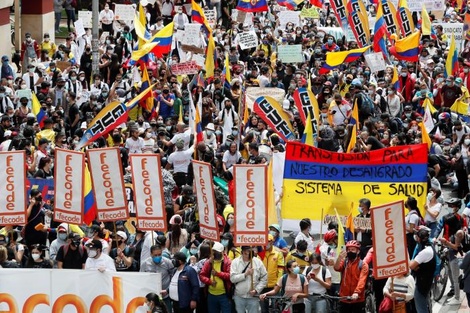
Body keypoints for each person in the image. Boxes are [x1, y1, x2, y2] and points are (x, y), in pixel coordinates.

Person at [334, 240, 369, 313]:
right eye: (348, 250)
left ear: (358, 251)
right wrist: (339, 258)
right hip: (344, 298)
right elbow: (336, 268)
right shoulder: (345, 262)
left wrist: (356, 292)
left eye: (353, 250)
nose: (350, 251)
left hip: (357, 299)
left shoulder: (363, 265)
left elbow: (362, 280)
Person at [230, 246, 268, 313]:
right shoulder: (235, 262)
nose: (247, 255)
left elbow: (264, 277)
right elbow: (232, 279)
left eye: (249, 253)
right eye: (245, 253)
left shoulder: (258, 262)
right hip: (239, 296)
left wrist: (257, 290)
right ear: (242, 252)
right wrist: (245, 274)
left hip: (253, 297)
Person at [199, 242, 232, 313]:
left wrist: (218, 274)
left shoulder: (227, 262)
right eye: (214, 251)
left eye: (217, 252)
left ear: (222, 252)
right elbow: (202, 275)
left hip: (224, 295)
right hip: (211, 295)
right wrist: (210, 281)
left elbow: (230, 276)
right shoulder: (209, 262)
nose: (215, 253)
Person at [140, 245, 175, 311]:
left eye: (159, 254)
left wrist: (168, 290)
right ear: (151, 254)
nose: (157, 257)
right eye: (155, 255)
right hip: (151, 298)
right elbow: (141, 278)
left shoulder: (167, 262)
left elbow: (173, 276)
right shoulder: (145, 264)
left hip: (165, 296)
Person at [409, 228, 436, 313]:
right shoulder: (430, 247)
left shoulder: (425, 252)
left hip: (422, 283)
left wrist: (415, 265)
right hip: (427, 280)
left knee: (421, 306)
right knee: (425, 303)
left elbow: (411, 266)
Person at [260, 234, 285, 313]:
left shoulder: (278, 253)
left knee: (275, 309)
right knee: (264, 309)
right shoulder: (260, 253)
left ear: (272, 242)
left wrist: (278, 283)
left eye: (268, 242)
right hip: (262, 285)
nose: (266, 244)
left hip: (275, 286)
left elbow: (280, 270)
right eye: (265, 242)